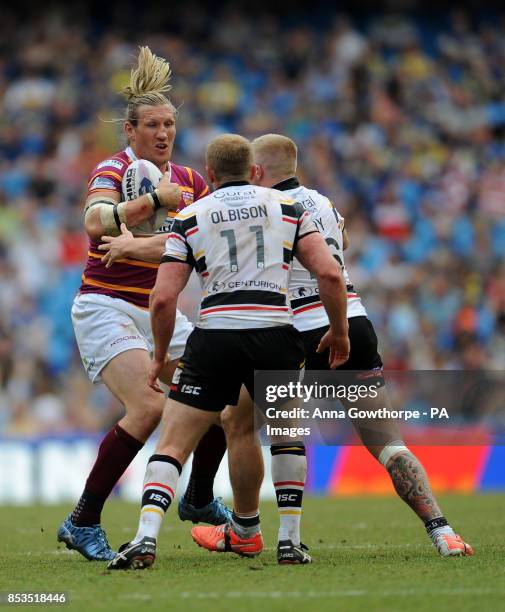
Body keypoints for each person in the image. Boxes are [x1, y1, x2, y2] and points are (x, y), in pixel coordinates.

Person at [107, 133, 350, 569]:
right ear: (254, 171)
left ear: (211, 175)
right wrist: (340, 331)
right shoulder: (289, 209)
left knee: (174, 443)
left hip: (215, 335)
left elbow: (163, 298)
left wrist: (160, 355)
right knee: (286, 436)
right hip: (276, 333)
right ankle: (290, 542)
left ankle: (145, 539)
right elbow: (330, 274)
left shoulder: (192, 215)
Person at [250, 133, 474, 558]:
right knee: (389, 443)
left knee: (264, 427)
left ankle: (273, 535)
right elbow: (344, 244)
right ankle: (442, 531)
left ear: (258, 171)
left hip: (305, 327)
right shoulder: (324, 202)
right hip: (355, 322)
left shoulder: (269, 209)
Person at [57, 47, 230, 563]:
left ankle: (197, 498)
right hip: (106, 305)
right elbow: (95, 223)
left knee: (226, 405)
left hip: (158, 309)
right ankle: (83, 519)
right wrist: (155, 204)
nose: (163, 133)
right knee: (151, 405)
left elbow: (202, 246)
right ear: (130, 132)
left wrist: (144, 240)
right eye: (152, 124)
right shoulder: (111, 169)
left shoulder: (193, 182)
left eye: (170, 124)